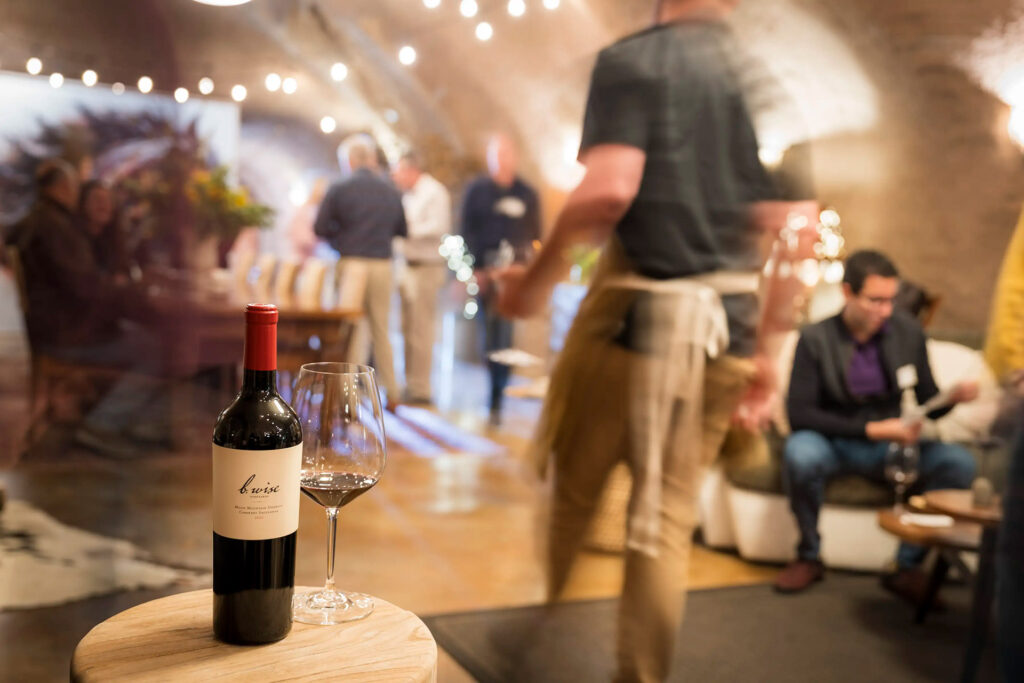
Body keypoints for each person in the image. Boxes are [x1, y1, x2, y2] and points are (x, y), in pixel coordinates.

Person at [495, 1, 814, 679]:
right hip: (724, 335)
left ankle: (537, 637)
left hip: (633, 328)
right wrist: (768, 348)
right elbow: (797, 228)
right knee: (665, 524)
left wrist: (533, 284)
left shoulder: (634, 60)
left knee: (576, 493)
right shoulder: (759, 76)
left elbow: (608, 191)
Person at [775, 250, 979, 599]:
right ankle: (808, 556)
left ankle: (905, 567)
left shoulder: (907, 332)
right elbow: (801, 415)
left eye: (890, 300)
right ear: (847, 293)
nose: (885, 311)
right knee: (800, 453)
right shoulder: (815, 339)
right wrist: (873, 430)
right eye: (875, 301)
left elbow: (929, 401)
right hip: (832, 440)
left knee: (957, 463)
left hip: (890, 445)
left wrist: (950, 400)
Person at [7, 160, 168, 456]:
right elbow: (86, 289)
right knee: (156, 348)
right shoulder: (56, 226)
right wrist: (126, 292)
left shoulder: (42, 220)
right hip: (67, 335)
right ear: (66, 188)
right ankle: (103, 426)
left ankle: (123, 420)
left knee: (141, 336)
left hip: (58, 329)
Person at [314, 134, 406, 408]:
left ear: (350, 161)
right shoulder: (390, 189)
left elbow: (319, 228)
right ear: (372, 159)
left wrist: (340, 239)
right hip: (381, 263)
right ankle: (393, 394)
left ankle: (348, 400)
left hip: (352, 262)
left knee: (351, 330)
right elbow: (403, 229)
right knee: (381, 329)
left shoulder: (339, 187)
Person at [460, 134, 541, 425]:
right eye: (498, 153)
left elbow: (536, 234)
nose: (503, 158)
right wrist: (476, 270)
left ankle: (498, 395)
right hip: (486, 272)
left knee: (506, 333)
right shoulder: (477, 191)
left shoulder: (527, 194)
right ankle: (492, 391)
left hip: (514, 275)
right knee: (489, 334)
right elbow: (466, 231)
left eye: (507, 152)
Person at [393, 152, 451, 405]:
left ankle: (421, 387)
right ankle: (409, 383)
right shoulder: (410, 195)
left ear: (411, 169)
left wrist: (406, 232)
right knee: (407, 328)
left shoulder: (434, 192)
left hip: (426, 267)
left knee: (421, 329)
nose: (396, 177)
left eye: (399, 171)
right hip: (408, 265)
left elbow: (438, 227)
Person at [77, 180, 132, 280]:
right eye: (97, 199)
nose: (104, 205)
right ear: (83, 203)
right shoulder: (74, 241)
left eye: (108, 200)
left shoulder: (115, 241)